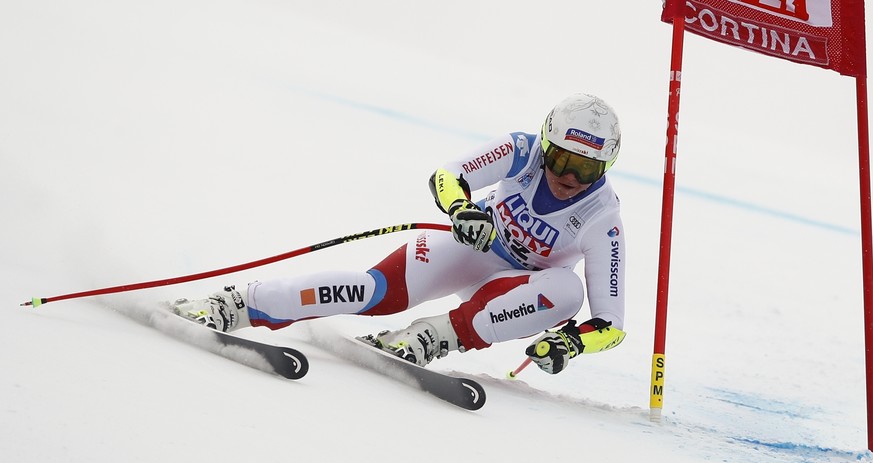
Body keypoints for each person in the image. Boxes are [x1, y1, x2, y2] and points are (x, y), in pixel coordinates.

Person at [173, 93, 627, 375]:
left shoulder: (602, 217)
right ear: (546, 145)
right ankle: (237, 304)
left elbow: (611, 326)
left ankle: (430, 337)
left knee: (567, 291)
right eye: (563, 160)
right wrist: (462, 209)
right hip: (472, 248)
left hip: (517, 288)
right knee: (374, 292)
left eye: (588, 169)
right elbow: (448, 174)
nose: (571, 177)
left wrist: (571, 342)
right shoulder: (523, 150)